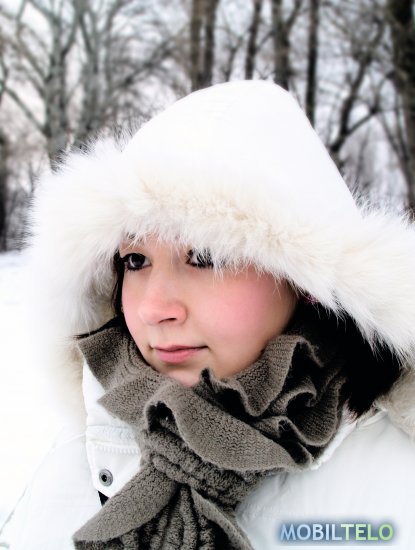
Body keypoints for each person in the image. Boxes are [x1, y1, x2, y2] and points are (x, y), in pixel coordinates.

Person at [4, 80, 415, 549]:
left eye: (205, 257)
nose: (154, 309)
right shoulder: (86, 445)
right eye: (135, 260)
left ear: (305, 282)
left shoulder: (395, 487)